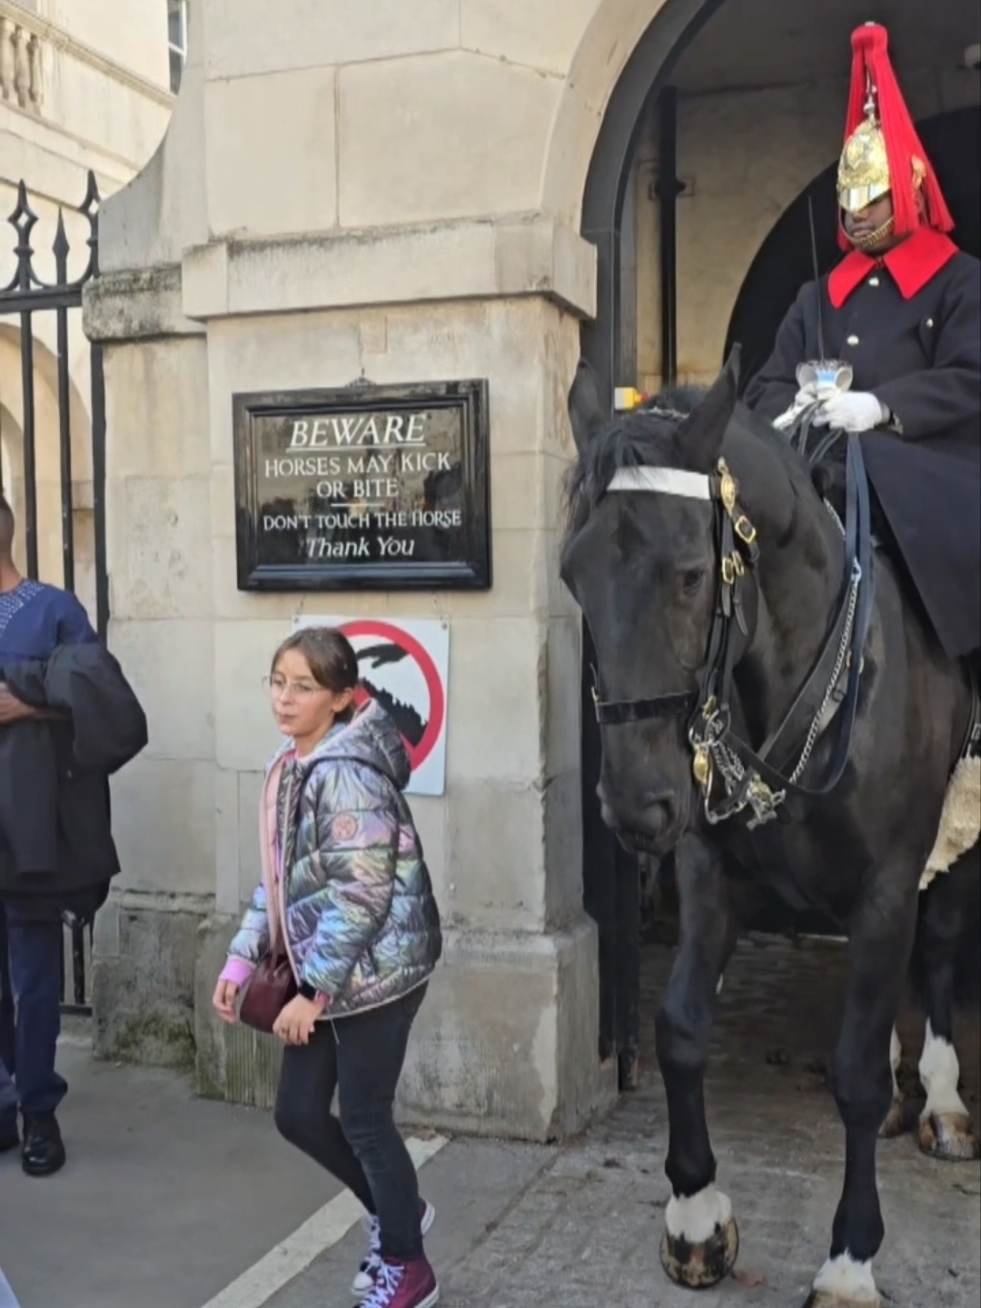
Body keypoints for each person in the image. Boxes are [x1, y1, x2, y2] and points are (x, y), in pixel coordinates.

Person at [213, 627, 442, 1308]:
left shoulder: (341, 773)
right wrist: (241, 956)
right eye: (277, 681)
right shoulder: (297, 761)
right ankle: (397, 1211)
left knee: (366, 1120)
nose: (285, 698)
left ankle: (409, 1265)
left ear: (343, 698)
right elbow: (285, 880)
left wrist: (310, 994)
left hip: (375, 976)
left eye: (304, 686)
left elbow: (361, 895)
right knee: (298, 1114)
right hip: (336, 975)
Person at [745, 21, 981, 664]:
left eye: (871, 200)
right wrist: (789, 413)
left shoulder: (958, 280)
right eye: (848, 200)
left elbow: (971, 375)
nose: (855, 214)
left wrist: (882, 408)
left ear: (906, 192)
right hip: (819, 467)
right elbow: (767, 382)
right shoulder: (815, 297)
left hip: (930, 468)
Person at [0, 495, 147, 1177]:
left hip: (27, 829)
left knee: (33, 981)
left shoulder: (53, 610)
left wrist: (26, 701)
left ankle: (38, 1111)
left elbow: (103, 698)